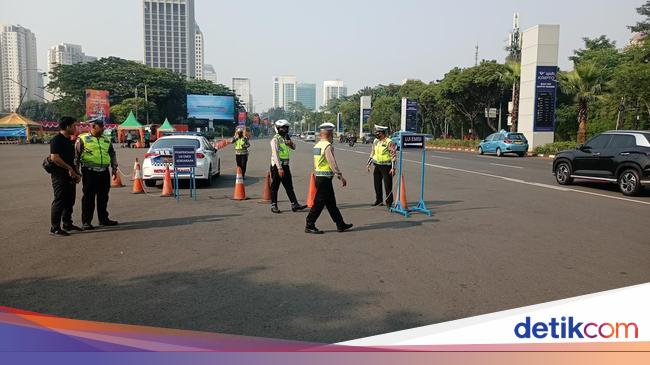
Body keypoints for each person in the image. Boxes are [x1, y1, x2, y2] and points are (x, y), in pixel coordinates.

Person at [305, 123, 353, 234]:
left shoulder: (317, 146)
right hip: (324, 179)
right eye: (332, 133)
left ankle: (340, 224)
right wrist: (340, 176)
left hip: (320, 177)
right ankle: (309, 224)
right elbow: (332, 163)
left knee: (331, 203)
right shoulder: (327, 146)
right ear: (329, 134)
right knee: (319, 203)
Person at [75, 118, 119, 230]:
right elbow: (76, 156)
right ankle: (86, 222)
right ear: (93, 126)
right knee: (88, 197)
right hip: (89, 172)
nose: (103, 129)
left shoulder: (106, 139)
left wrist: (114, 167)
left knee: (103, 197)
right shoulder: (83, 138)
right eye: (101, 127)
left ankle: (103, 219)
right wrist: (76, 171)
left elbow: (112, 154)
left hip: (104, 172)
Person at [49, 117, 82, 236]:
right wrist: (69, 169)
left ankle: (67, 223)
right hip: (59, 176)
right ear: (67, 127)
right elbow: (55, 158)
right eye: (74, 126)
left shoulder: (70, 140)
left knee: (70, 201)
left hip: (70, 176)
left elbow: (73, 159)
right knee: (59, 201)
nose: (76, 128)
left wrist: (77, 173)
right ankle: (55, 228)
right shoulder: (56, 140)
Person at [269, 120, 307, 214]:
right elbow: (275, 154)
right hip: (277, 167)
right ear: (278, 128)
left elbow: (294, 147)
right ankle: (274, 205)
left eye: (286, 127)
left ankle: (295, 204)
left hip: (286, 165)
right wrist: (279, 168)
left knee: (289, 186)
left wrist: (289, 143)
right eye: (283, 128)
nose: (285, 129)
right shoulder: (275, 140)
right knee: (275, 186)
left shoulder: (285, 138)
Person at [367, 125, 396, 207]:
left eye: (378, 132)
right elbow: (373, 153)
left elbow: (393, 155)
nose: (376, 134)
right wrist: (368, 163)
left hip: (386, 166)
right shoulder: (376, 141)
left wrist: (393, 168)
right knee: (377, 184)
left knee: (388, 185)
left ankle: (389, 202)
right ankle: (379, 201)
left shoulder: (389, 142)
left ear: (382, 133)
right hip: (377, 165)